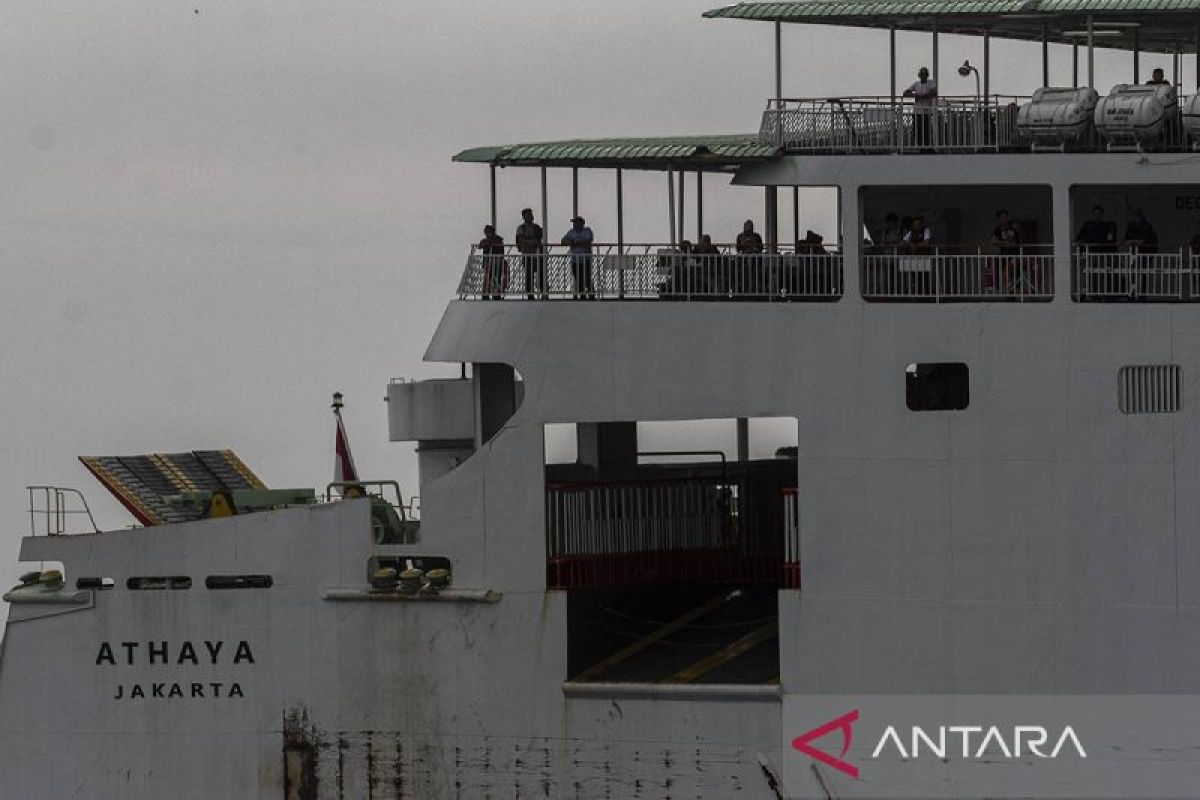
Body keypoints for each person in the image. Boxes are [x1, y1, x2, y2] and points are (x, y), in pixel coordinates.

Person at [902, 67, 938, 147]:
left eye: (924, 74)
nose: (923, 76)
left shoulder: (930, 83)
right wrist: (915, 95)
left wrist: (921, 96)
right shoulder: (916, 84)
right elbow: (905, 93)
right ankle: (920, 146)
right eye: (922, 74)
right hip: (917, 112)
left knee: (926, 131)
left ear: (927, 75)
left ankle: (927, 147)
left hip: (926, 112)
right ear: (919, 75)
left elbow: (934, 93)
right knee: (917, 131)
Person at [561, 216, 595, 298]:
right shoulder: (571, 232)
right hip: (575, 260)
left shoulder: (587, 231)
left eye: (576, 223)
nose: (574, 225)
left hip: (586, 259)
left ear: (581, 223)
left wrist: (577, 242)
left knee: (587, 277)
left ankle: (591, 293)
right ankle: (582, 294)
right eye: (574, 223)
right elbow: (563, 241)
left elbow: (588, 240)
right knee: (578, 278)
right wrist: (572, 242)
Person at [515, 208, 544, 299]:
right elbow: (520, 240)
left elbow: (539, 239)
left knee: (541, 274)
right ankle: (530, 294)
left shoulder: (537, 227)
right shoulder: (521, 228)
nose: (530, 216)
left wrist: (532, 241)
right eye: (527, 215)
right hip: (527, 254)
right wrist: (531, 242)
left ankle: (543, 292)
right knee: (529, 274)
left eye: (530, 214)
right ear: (523, 217)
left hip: (538, 254)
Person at [478, 224, 506, 300]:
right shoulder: (485, 240)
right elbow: (480, 246)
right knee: (487, 279)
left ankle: (496, 294)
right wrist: (486, 243)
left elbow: (500, 247)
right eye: (486, 232)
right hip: (488, 263)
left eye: (489, 231)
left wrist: (491, 243)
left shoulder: (498, 239)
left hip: (497, 263)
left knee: (496, 279)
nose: (488, 233)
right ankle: (485, 294)